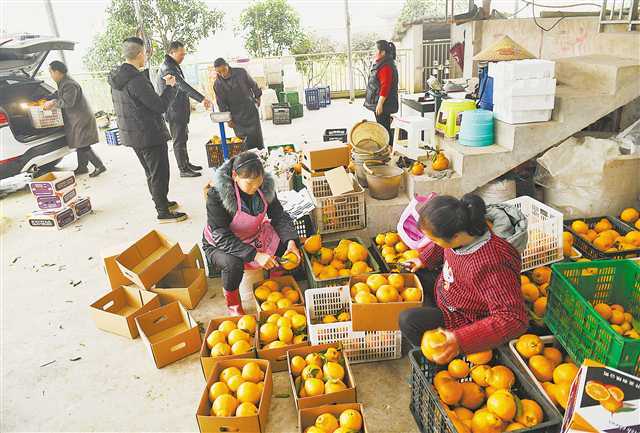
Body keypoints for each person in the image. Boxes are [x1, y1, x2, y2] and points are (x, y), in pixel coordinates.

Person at [398, 194, 528, 364]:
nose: (432, 243)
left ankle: (438, 360)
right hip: (450, 289)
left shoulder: (492, 265)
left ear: (456, 236)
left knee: (409, 321)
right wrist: (423, 259)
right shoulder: (467, 229)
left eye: (433, 239)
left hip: (464, 315)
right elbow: (442, 248)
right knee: (411, 276)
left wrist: (460, 339)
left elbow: (513, 317)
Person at [202, 152, 300, 315]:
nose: (255, 188)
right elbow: (221, 235)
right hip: (221, 244)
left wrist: (291, 242)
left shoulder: (265, 186)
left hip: (253, 235)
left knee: (287, 246)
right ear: (235, 176)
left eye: (258, 182)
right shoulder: (217, 195)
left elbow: (279, 215)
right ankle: (233, 305)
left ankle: (274, 287)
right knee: (233, 264)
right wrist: (255, 255)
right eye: (249, 183)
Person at [108, 37, 187, 223]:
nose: (146, 56)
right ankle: (163, 212)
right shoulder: (136, 80)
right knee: (159, 173)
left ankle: (162, 201)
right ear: (140, 54)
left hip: (133, 134)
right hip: (148, 134)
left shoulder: (117, 78)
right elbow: (159, 106)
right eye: (145, 52)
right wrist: (170, 87)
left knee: (151, 172)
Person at [156, 41, 212, 178]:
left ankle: (186, 164)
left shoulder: (172, 65)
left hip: (178, 109)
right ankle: (183, 169)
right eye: (181, 54)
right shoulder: (168, 68)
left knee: (183, 137)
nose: (183, 57)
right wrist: (201, 98)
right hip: (173, 110)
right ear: (172, 53)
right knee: (179, 140)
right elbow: (181, 85)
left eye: (184, 54)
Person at [43, 61, 106, 177]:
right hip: (77, 118)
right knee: (80, 143)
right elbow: (60, 94)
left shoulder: (68, 84)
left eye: (51, 72)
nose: (50, 75)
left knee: (83, 144)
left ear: (57, 72)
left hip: (81, 118)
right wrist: (48, 97)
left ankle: (99, 166)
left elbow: (68, 102)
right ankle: (82, 167)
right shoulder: (63, 82)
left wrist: (53, 103)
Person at [213, 58, 264, 150]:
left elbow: (253, 84)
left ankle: (261, 158)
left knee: (257, 140)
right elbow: (221, 103)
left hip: (250, 110)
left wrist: (258, 97)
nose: (222, 74)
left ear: (227, 65)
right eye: (219, 72)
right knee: (243, 143)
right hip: (236, 117)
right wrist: (228, 120)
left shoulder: (241, 72)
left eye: (224, 70)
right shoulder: (218, 84)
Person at [364, 40, 399, 144]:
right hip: (380, 101)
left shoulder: (386, 66)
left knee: (384, 130)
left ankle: (388, 149)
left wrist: (380, 104)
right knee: (383, 126)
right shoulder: (382, 63)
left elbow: (385, 86)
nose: (375, 52)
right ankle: (387, 148)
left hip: (383, 103)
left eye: (376, 50)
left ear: (382, 52)